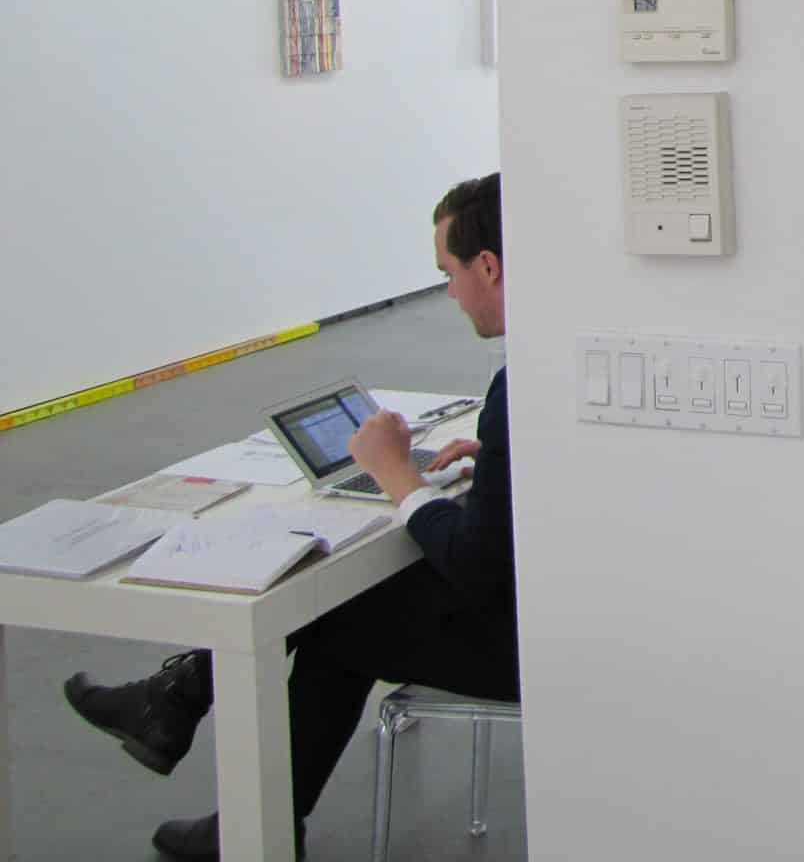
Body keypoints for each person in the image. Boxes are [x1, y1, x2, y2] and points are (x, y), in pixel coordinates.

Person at [62, 174, 518, 860]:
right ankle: (195, 730)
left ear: (486, 266)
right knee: (347, 613)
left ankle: (210, 754)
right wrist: (498, 467)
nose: (450, 293)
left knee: (335, 619)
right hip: (569, 614)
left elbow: (475, 566)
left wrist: (398, 476)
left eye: (448, 274)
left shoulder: (516, 386)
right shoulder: (553, 363)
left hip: (536, 647)